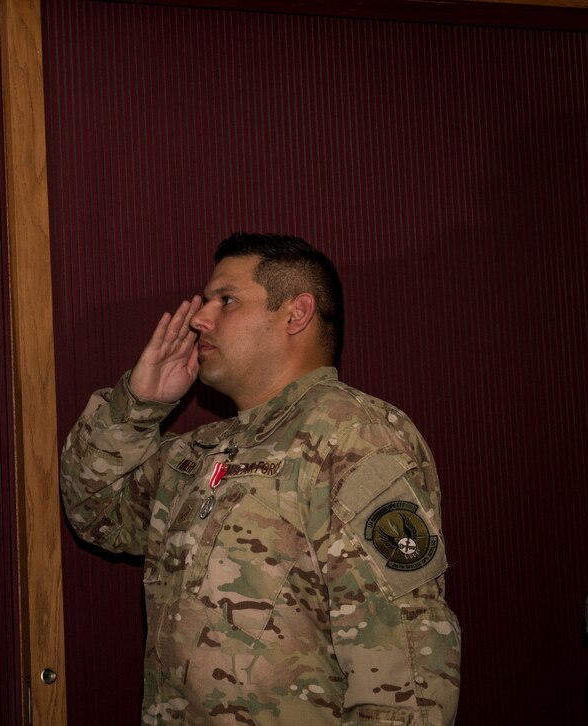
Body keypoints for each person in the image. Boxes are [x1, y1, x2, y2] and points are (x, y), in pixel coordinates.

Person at [60, 233, 460, 724]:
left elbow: (406, 671)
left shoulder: (350, 437)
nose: (198, 319)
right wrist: (137, 407)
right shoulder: (198, 453)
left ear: (296, 314)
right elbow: (94, 508)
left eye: (225, 300)